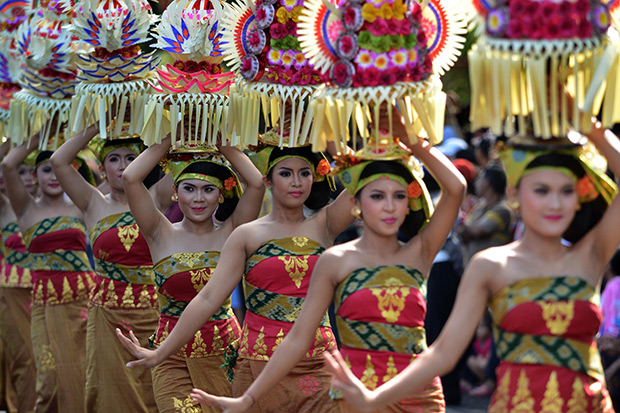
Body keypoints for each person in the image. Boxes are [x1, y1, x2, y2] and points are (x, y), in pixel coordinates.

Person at [322, 118, 620, 412]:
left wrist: (591, 127)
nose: (555, 204)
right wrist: (375, 399)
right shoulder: (491, 266)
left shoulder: (590, 255)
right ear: (514, 194)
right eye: (541, 190)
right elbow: (443, 353)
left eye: (566, 191)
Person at [189, 110, 467, 412]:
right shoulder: (334, 260)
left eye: (399, 196)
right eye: (376, 196)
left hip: (419, 396)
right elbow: (297, 337)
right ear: (355, 203)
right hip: (352, 393)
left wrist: (414, 142)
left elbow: (457, 189)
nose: (389, 206)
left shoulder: (420, 253)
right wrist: (248, 398)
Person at [117, 129, 356, 412]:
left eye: (305, 173)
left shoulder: (326, 223)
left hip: (319, 362)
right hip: (258, 362)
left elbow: (361, 179)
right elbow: (208, 298)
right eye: (285, 173)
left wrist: (325, 125)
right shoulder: (245, 235)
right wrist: (161, 353)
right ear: (268, 180)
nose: (296, 182)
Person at [117, 135, 264, 412]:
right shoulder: (159, 232)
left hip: (225, 354)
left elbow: (256, 183)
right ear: (175, 192)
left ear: (221, 194)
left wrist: (221, 140)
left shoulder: (234, 232)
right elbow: (131, 178)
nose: (198, 198)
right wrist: (172, 136)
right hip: (169, 356)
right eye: (189, 188)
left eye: (209, 190)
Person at [49, 123, 172, 412]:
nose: (122, 166)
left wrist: (165, 135)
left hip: (156, 312)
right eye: (113, 159)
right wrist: (100, 121)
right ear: (102, 168)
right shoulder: (92, 202)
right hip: (106, 315)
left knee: (158, 390)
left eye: (131, 158)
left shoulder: (157, 198)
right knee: (107, 391)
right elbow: (58, 161)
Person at [1, 135, 98, 413]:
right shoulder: (25, 208)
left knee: (83, 373)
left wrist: (82, 131)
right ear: (34, 175)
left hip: (83, 299)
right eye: (46, 169)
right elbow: (8, 164)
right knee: (49, 380)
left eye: (59, 169)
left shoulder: (83, 206)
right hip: (43, 301)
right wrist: (39, 129)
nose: (54, 176)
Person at [0, 141, 37, 412]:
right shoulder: (7, 206)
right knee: (23, 357)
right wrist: (17, 135)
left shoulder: (65, 203)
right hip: (12, 290)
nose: (27, 179)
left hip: (58, 292)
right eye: (20, 172)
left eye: (32, 172)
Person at [457, 164, 514, 260]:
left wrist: (463, 228)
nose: (476, 183)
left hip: (494, 269)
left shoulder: (502, 209)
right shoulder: (478, 208)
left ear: (489, 182)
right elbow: (464, 231)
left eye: (480, 179)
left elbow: (477, 231)